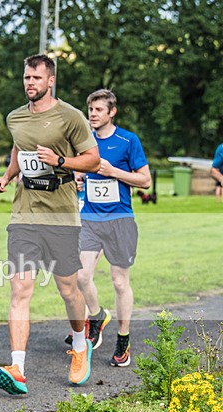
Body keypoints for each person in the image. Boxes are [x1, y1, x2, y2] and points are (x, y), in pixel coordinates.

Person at [0, 54, 101, 395]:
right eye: (26, 77)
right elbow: (18, 149)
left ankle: (81, 343)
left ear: (50, 81)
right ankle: (18, 367)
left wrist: (60, 161)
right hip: (24, 216)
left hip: (61, 217)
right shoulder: (15, 117)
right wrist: (7, 176)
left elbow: (94, 160)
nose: (29, 83)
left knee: (68, 289)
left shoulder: (71, 117)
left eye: (36, 78)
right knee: (20, 289)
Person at [72, 89, 150, 368]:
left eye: (98, 110)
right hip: (90, 219)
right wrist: (79, 180)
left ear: (111, 112)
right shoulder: (84, 142)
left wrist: (113, 172)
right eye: (90, 110)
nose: (92, 114)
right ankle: (97, 316)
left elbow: (145, 180)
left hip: (120, 220)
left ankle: (123, 339)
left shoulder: (128, 141)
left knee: (119, 282)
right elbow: (78, 176)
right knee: (81, 277)